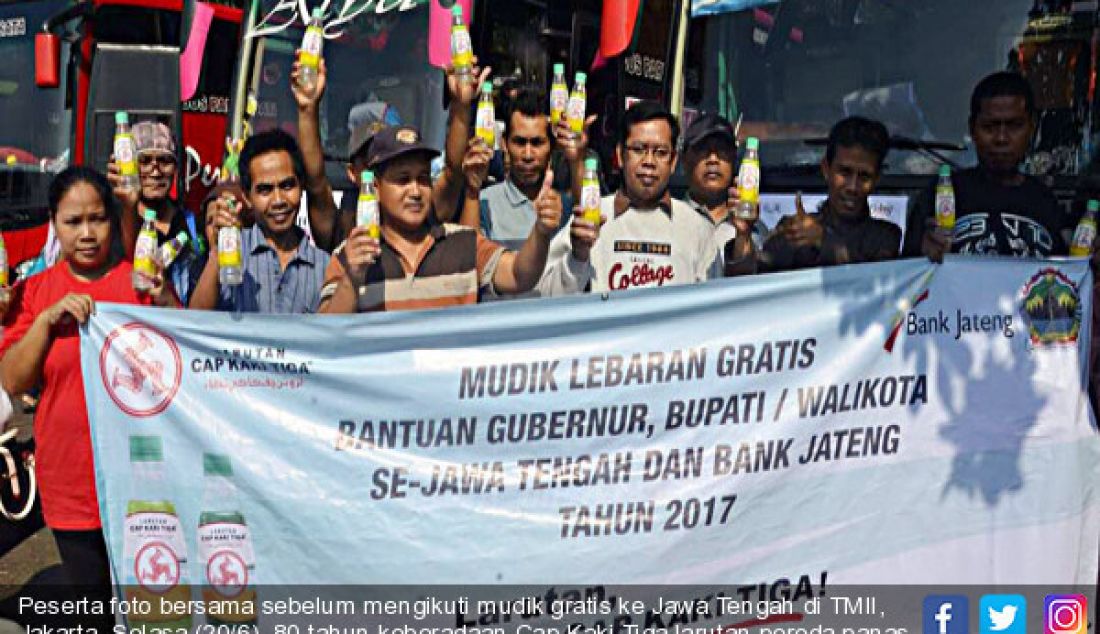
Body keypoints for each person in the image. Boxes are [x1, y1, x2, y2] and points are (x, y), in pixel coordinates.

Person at [0, 167, 177, 624]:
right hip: (70, 481)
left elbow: (184, 361)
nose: (86, 233)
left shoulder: (139, 284)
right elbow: (13, 382)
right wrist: (44, 323)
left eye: (96, 219)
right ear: (54, 224)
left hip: (142, 480)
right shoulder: (36, 292)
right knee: (91, 607)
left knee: (150, 605)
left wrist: (166, 301)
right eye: (72, 222)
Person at [317, 125, 558, 312]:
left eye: (423, 178)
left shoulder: (464, 242)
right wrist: (352, 277)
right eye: (403, 180)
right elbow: (324, 338)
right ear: (376, 188)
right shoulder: (349, 255)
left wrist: (541, 231)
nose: (415, 191)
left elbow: (520, 276)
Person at [293, 57, 492, 252]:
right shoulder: (341, 224)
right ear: (352, 172)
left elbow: (452, 173)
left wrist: (460, 105)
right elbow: (316, 181)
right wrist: (307, 108)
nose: (381, 171)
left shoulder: (421, 212)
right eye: (372, 163)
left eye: (393, 161)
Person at [538, 100, 721, 295]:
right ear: (620, 155)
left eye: (660, 152)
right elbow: (548, 297)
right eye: (639, 149)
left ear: (673, 161)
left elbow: (715, 311)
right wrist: (577, 257)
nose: (649, 161)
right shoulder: (589, 219)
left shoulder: (697, 228)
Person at [905, 71, 1071, 259]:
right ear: (972, 128)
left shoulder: (1046, 202)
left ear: (1031, 128)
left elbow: (1065, 278)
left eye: (1014, 126)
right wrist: (923, 254)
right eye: (989, 127)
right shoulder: (940, 194)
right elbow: (908, 277)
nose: (1001, 138)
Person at [727, 116, 900, 274]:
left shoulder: (886, 238)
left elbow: (873, 283)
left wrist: (822, 240)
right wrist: (744, 234)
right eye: (845, 172)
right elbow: (747, 286)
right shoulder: (794, 231)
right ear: (826, 169)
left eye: (864, 176)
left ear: (876, 179)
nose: (852, 187)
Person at [189, 130, 331, 313]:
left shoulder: (323, 266)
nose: (278, 200)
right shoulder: (232, 254)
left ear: (301, 186)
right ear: (247, 197)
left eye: (287, 185)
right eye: (265, 190)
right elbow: (197, 320)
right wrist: (218, 251)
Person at [477, 87, 587, 249]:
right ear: (504, 144)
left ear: (551, 146)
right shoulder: (485, 202)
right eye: (520, 142)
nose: (528, 155)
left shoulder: (566, 205)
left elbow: (588, 221)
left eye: (537, 143)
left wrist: (576, 160)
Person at [107, 120, 205, 303]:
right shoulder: (115, 222)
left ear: (175, 168)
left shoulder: (192, 225)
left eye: (164, 161)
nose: (155, 171)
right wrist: (130, 204)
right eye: (144, 161)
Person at [680, 113, 768, 256]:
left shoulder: (756, 230)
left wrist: (743, 235)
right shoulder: (669, 220)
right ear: (684, 160)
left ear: (734, 160)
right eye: (703, 150)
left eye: (722, 151)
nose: (713, 159)